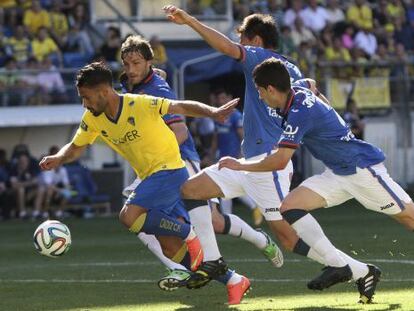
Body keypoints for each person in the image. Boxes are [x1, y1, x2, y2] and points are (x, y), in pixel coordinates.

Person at [163, 5, 377, 302]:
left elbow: (226, 48)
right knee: (191, 190)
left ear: (257, 41)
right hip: (246, 163)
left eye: (245, 40)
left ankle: (355, 268)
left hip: (267, 166)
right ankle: (213, 260)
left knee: (289, 238)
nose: (242, 46)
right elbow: (315, 97)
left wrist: (189, 21)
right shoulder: (294, 69)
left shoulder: (261, 58)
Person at [38, 61, 243, 302]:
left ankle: (189, 234)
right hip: (150, 178)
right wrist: (58, 158)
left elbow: (178, 106)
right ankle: (234, 280)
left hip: (171, 170)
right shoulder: (92, 118)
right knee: (169, 247)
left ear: (103, 91)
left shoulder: (138, 102)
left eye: (86, 97)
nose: (85, 103)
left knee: (128, 216)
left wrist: (213, 112)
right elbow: (76, 147)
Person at [218, 58, 414, 303]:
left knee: (409, 217)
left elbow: (279, 161)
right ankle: (341, 266)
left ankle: (344, 267)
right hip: (337, 172)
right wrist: (326, 108)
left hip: (361, 168)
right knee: (289, 207)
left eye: (259, 91)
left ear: (270, 89)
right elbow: (311, 83)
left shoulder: (299, 112)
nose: (258, 97)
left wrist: (240, 164)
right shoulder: (296, 91)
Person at [118, 35, 275, 304]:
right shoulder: (134, 82)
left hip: (179, 161)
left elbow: (179, 132)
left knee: (211, 221)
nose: (130, 69)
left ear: (147, 62)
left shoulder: (158, 91)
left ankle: (259, 239)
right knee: (153, 227)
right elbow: (156, 73)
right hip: (154, 168)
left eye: (136, 63)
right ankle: (200, 271)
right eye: (127, 63)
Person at [211, 88, 262, 225]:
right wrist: (211, 154)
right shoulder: (218, 116)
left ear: (229, 98)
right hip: (222, 157)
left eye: (223, 98)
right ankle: (231, 218)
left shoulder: (235, 116)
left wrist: (241, 154)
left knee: (227, 187)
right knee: (227, 187)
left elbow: (242, 135)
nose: (221, 101)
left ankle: (233, 216)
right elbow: (216, 138)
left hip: (234, 157)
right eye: (219, 99)